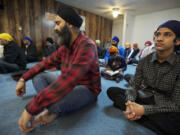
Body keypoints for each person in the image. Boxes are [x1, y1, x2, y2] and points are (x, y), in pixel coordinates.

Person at [15, 5, 101, 133]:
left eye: (57, 23)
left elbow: (70, 80)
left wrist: (30, 108)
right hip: (66, 82)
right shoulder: (65, 47)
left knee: (56, 100)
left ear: (70, 24)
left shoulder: (88, 46)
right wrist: (23, 78)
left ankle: (53, 107)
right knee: (38, 77)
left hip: (86, 88)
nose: (54, 28)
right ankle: (52, 105)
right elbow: (44, 63)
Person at [107, 20, 180, 135]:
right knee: (112, 91)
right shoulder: (145, 60)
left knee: (176, 123)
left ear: (177, 41)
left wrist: (144, 110)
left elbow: (175, 104)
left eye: (167, 34)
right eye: (157, 34)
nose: (159, 38)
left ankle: (136, 114)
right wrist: (130, 101)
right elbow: (134, 84)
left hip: (164, 104)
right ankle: (135, 112)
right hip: (144, 95)